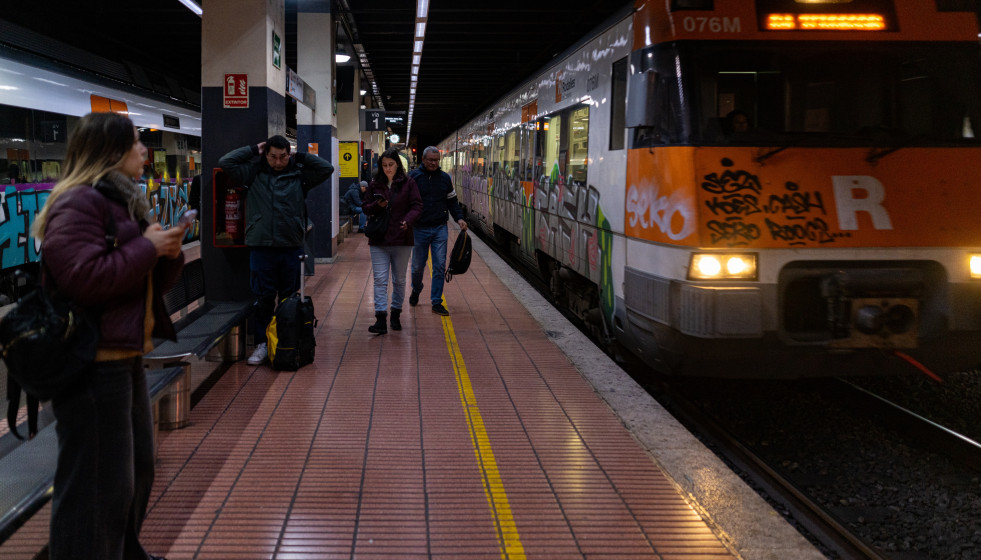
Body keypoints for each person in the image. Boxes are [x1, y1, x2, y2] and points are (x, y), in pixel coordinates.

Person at [32, 111, 187, 560]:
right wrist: (146, 248)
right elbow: (83, 278)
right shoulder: (78, 203)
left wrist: (166, 254)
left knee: (133, 473)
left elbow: (142, 280)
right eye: (137, 142)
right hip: (92, 363)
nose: (145, 151)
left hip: (124, 354)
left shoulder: (122, 202)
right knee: (96, 485)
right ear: (111, 151)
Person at [218, 135, 334, 365]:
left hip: (290, 245)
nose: (279, 162)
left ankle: (285, 340)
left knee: (288, 298)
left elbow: (326, 168)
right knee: (263, 299)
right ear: (266, 154)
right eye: (273, 157)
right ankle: (262, 343)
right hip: (262, 246)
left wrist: (299, 155)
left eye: (283, 157)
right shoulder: (253, 174)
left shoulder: (300, 176)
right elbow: (226, 162)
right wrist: (253, 148)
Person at [362, 148, 422, 334]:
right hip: (379, 239)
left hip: (402, 238)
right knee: (380, 280)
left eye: (391, 165)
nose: (388, 169)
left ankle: (396, 313)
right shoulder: (375, 185)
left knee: (400, 279)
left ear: (398, 165)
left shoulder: (408, 183)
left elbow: (417, 206)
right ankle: (381, 318)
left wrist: (408, 220)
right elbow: (365, 207)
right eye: (385, 165)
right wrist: (376, 205)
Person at [408, 146, 467, 316]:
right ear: (423, 159)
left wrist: (459, 218)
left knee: (439, 266)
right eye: (430, 160)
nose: (434, 163)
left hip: (440, 228)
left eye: (436, 160)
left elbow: (452, 201)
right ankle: (416, 289)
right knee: (417, 266)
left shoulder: (444, 179)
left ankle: (436, 301)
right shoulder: (413, 178)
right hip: (419, 228)